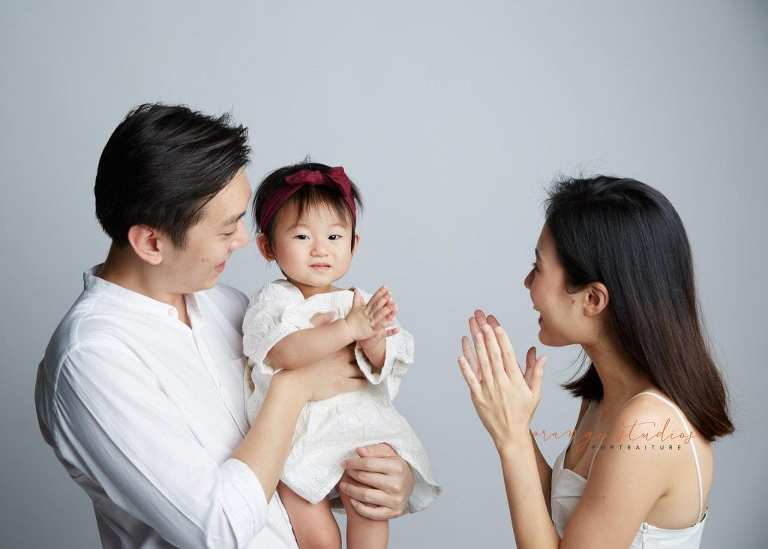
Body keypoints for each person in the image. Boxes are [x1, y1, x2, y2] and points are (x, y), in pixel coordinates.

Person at [34, 103, 416, 549]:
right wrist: (294, 388)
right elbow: (217, 528)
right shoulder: (94, 359)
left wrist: (384, 483)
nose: (241, 241)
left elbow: (283, 470)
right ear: (152, 242)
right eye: (226, 228)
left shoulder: (230, 306)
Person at [457, 176, 734, 548]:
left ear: (592, 299)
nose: (526, 282)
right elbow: (559, 520)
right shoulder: (605, 395)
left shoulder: (649, 427)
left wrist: (512, 438)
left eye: (537, 267)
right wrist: (515, 427)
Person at [243, 162, 440, 549]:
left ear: (354, 243)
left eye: (335, 235)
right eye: (301, 236)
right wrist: (347, 330)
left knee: (370, 486)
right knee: (301, 499)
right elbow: (282, 352)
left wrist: (374, 341)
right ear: (267, 246)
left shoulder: (358, 301)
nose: (320, 249)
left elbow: (388, 360)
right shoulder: (274, 301)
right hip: (295, 431)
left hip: (356, 423)